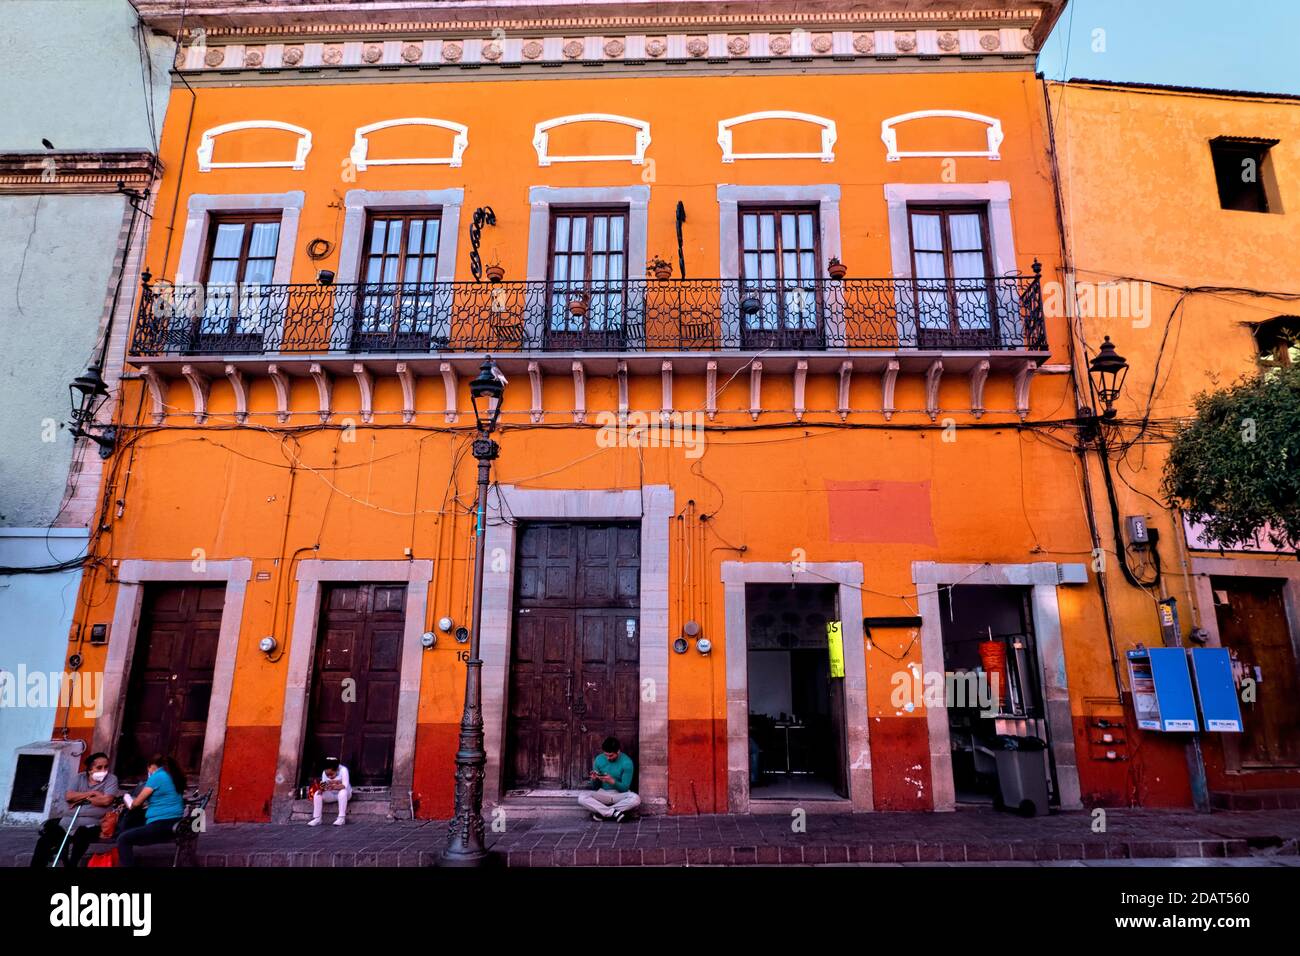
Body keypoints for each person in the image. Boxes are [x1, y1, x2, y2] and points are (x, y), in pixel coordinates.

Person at [30, 751, 120, 868]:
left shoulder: (111, 779)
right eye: (99, 767)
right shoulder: (79, 778)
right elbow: (69, 796)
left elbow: (106, 801)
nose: (104, 770)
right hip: (67, 822)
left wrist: (80, 799)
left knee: (81, 835)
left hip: (92, 824)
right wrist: (92, 794)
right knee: (44, 841)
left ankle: (71, 864)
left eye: (106, 766)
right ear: (90, 769)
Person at [115, 754, 187, 867]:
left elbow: (135, 804)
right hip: (176, 823)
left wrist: (127, 798)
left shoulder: (157, 776)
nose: (148, 772)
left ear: (151, 766)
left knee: (123, 839)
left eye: (148, 769)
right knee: (132, 827)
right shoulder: (173, 775)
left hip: (161, 824)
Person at [577, 736, 640, 822]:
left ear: (618, 751)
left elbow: (625, 788)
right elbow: (595, 787)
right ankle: (614, 813)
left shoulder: (627, 762)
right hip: (603, 793)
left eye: (611, 755)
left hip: (620, 795)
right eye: (606, 755)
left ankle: (602, 813)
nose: (608, 758)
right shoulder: (599, 759)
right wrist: (595, 779)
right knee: (582, 797)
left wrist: (612, 781)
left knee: (636, 799)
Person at [308, 757, 351, 826]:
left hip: (345, 794)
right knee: (317, 794)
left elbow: (344, 786)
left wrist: (334, 786)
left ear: (337, 770)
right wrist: (321, 789)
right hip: (331, 794)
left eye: (331, 774)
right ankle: (317, 818)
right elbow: (323, 784)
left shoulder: (343, 770)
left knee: (343, 792)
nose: (329, 777)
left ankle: (341, 818)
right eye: (327, 775)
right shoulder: (324, 772)